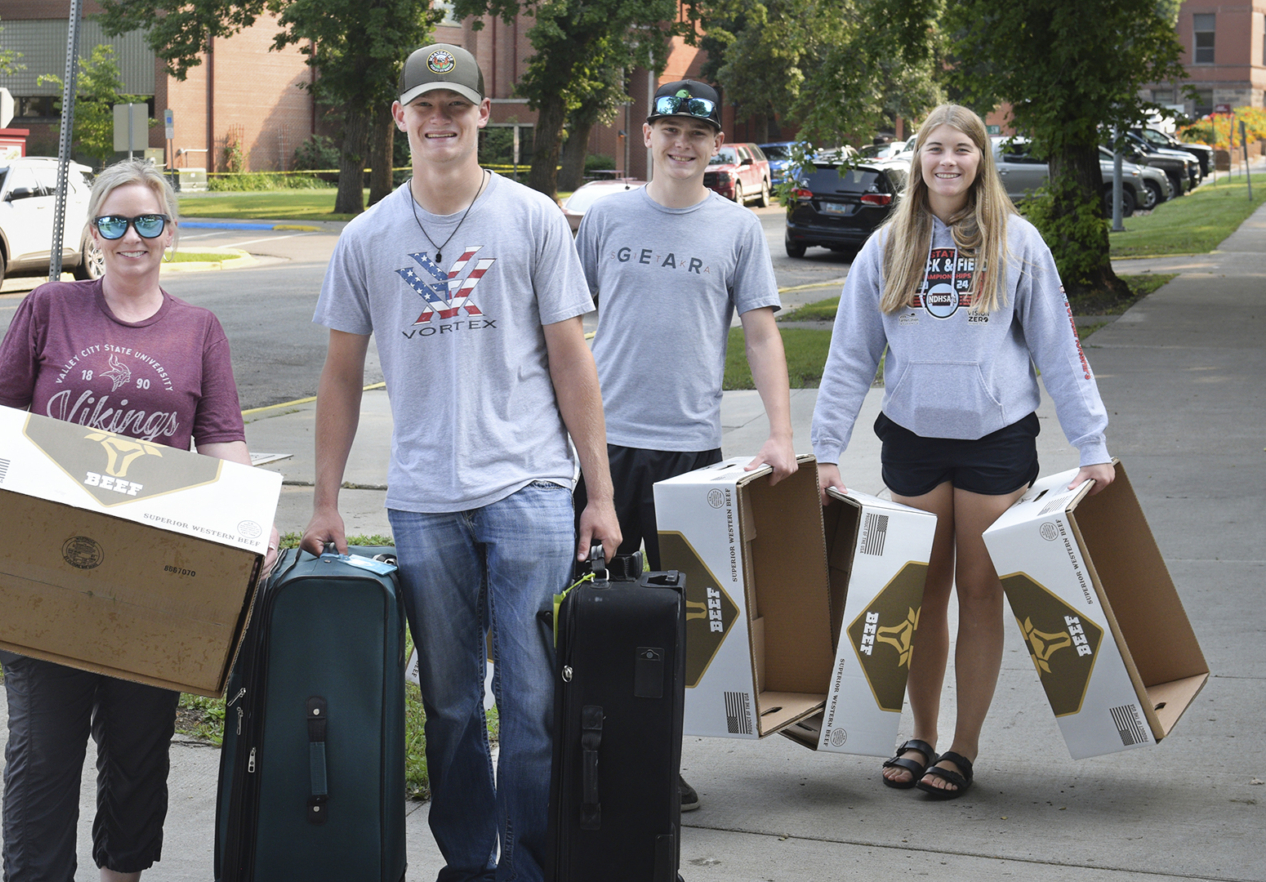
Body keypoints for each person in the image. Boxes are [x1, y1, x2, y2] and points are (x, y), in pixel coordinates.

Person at [301, 43, 620, 882]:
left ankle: (528, 863)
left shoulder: (532, 220)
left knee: (533, 699)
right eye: (425, 108)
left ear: (484, 116)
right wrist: (325, 500)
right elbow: (339, 377)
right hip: (423, 501)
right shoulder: (367, 237)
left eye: (457, 107)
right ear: (401, 117)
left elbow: (570, 361)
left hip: (530, 487)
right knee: (447, 704)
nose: (441, 122)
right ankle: (468, 864)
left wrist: (601, 493)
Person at [0, 158, 275, 880]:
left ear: (170, 231)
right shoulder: (50, 307)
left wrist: (254, 521)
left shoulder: (199, 330)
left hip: (152, 579)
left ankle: (122, 874)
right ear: (94, 232)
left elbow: (222, 440)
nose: (131, 236)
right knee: (44, 753)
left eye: (147, 221)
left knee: (139, 751)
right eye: (115, 222)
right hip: (47, 570)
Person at [810, 105, 1115, 800]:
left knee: (979, 593)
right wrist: (826, 450)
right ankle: (920, 733)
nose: (947, 162)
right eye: (935, 150)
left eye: (962, 150)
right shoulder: (887, 244)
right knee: (919, 596)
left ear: (982, 160)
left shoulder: (1018, 243)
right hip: (914, 440)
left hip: (994, 441)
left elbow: (1059, 351)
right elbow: (849, 357)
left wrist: (1092, 443)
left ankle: (964, 746)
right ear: (918, 160)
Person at [571, 78, 797, 812]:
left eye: (697, 133)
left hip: (691, 453)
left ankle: (656, 765)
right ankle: (589, 759)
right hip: (606, 450)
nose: (682, 144)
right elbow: (567, 335)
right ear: (646, 135)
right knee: (591, 615)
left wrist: (781, 433)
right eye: (670, 129)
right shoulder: (605, 220)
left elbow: (761, 335)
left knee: (675, 628)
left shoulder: (735, 230)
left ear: (714, 143)